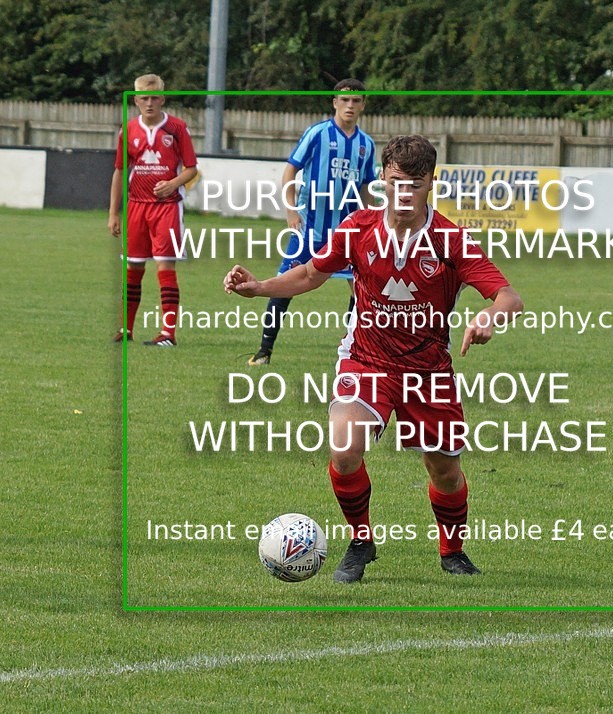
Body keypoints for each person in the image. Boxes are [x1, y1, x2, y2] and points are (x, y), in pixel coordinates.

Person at [224, 135, 523, 582]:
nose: (404, 194)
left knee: (444, 470)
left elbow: (508, 296)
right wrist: (259, 287)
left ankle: (452, 551)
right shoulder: (359, 228)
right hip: (365, 361)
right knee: (344, 448)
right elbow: (309, 274)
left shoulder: (449, 239)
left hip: (428, 370)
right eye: (397, 182)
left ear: (431, 184)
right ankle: (361, 541)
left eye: (415, 185)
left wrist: (488, 317)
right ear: (383, 178)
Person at [246, 78, 377, 366]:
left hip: (349, 232)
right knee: (284, 285)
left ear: (363, 105)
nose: (350, 105)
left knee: (361, 290)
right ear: (334, 102)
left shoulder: (367, 145)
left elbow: (367, 186)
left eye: (356, 101)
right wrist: (291, 211)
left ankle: (354, 349)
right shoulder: (317, 134)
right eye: (345, 100)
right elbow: (291, 169)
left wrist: (373, 220)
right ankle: (264, 351)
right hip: (311, 230)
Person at [108, 73, 198, 346]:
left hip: (167, 208)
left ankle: (167, 335)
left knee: (164, 267)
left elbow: (192, 169)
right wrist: (114, 213)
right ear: (136, 100)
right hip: (136, 207)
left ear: (162, 99)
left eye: (154, 98)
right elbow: (120, 172)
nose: (149, 103)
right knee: (133, 269)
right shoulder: (128, 130)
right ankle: (126, 331)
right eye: (144, 98)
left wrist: (172, 184)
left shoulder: (177, 128)